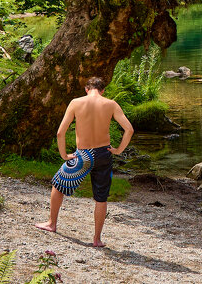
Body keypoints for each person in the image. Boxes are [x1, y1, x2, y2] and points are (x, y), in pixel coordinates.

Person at [34, 76, 134, 247]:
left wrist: (64, 155)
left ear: (86, 89)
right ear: (102, 90)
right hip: (104, 154)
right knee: (101, 198)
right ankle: (97, 239)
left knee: (58, 184)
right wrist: (118, 150)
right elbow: (129, 129)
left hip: (83, 155)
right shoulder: (110, 104)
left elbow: (60, 133)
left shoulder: (76, 102)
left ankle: (52, 223)